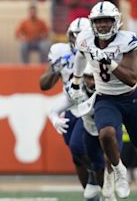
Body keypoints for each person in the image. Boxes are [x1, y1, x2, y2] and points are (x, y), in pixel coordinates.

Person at [69, 1, 137, 201]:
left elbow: (131, 78)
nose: (102, 25)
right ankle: (119, 171)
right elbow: (81, 57)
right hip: (105, 97)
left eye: (106, 21)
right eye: (98, 21)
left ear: (116, 21)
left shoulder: (128, 40)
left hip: (131, 98)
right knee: (106, 134)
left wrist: (108, 61)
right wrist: (76, 81)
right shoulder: (85, 38)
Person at [40, 18, 105, 200]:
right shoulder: (61, 52)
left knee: (79, 147)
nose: (76, 40)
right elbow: (44, 85)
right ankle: (91, 195)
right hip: (70, 104)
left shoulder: (96, 50)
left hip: (91, 104)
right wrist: (56, 68)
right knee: (76, 156)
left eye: (80, 36)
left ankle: (98, 175)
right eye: (73, 36)